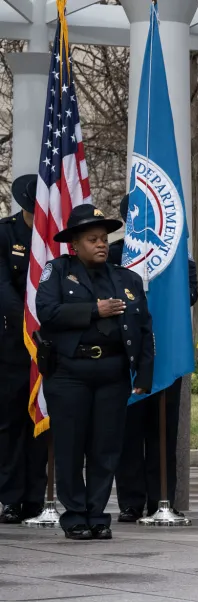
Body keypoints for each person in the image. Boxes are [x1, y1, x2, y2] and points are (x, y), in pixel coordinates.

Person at [35, 204, 153, 540]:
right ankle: (74, 514)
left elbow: (144, 329)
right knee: (71, 446)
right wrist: (93, 310)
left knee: (106, 447)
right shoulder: (57, 271)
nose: (101, 244)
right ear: (75, 244)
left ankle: (97, 513)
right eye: (92, 239)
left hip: (113, 372)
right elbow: (46, 312)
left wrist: (143, 376)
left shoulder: (126, 278)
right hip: (70, 371)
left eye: (103, 238)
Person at [109, 196, 198, 522]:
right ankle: (131, 502)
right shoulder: (115, 253)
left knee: (163, 430)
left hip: (164, 352)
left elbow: (191, 292)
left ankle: (162, 497)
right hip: (127, 352)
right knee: (128, 431)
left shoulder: (176, 253)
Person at [0, 175, 48, 522]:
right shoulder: (5, 233)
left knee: (42, 421)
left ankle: (36, 498)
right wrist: (29, 322)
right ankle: (11, 497)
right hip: (14, 344)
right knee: (12, 422)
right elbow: (3, 287)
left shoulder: (53, 236)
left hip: (50, 342)